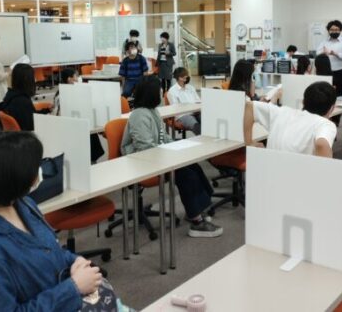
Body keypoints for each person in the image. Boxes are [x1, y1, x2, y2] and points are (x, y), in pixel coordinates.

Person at [0, 131, 129, 311]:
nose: (39, 172)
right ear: (11, 178)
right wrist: (73, 288)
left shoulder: (22, 204)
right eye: (33, 167)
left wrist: (75, 261)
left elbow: (50, 250)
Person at [121, 77, 222, 237]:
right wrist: (170, 153)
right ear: (151, 94)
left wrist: (178, 146)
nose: (162, 93)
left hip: (155, 154)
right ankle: (196, 222)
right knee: (184, 174)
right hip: (140, 160)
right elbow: (145, 148)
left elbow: (163, 137)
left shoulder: (153, 111)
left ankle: (197, 209)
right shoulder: (139, 115)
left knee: (193, 166)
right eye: (159, 90)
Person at [244, 82, 337, 157]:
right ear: (332, 108)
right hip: (298, 174)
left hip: (268, 170)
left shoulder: (282, 111)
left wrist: (249, 143)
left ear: (303, 102)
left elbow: (249, 106)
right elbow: (322, 144)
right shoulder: (325, 124)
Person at [52, 68, 105, 163]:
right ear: (69, 79)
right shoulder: (63, 95)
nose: (78, 79)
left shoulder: (68, 90)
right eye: (76, 76)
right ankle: (92, 161)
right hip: (68, 127)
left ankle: (92, 160)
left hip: (75, 124)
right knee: (90, 134)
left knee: (90, 131)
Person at [316, 20, 342, 97]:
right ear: (328, 31)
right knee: (326, 96)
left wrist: (334, 53)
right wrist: (324, 52)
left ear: (340, 30)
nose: (334, 31)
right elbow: (317, 53)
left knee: (340, 96)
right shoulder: (324, 42)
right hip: (326, 73)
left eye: (336, 30)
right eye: (332, 30)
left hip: (340, 73)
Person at [0, 63, 37, 131]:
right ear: (28, 80)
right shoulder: (22, 101)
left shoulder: (11, 94)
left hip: (16, 134)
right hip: (27, 134)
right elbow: (31, 125)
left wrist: (45, 110)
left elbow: (30, 115)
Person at [167, 67, 201, 135]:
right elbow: (175, 109)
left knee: (207, 121)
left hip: (195, 112)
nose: (187, 76)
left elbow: (198, 101)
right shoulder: (172, 91)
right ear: (179, 78)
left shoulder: (190, 87)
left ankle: (211, 139)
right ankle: (203, 140)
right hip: (183, 115)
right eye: (185, 75)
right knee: (196, 125)